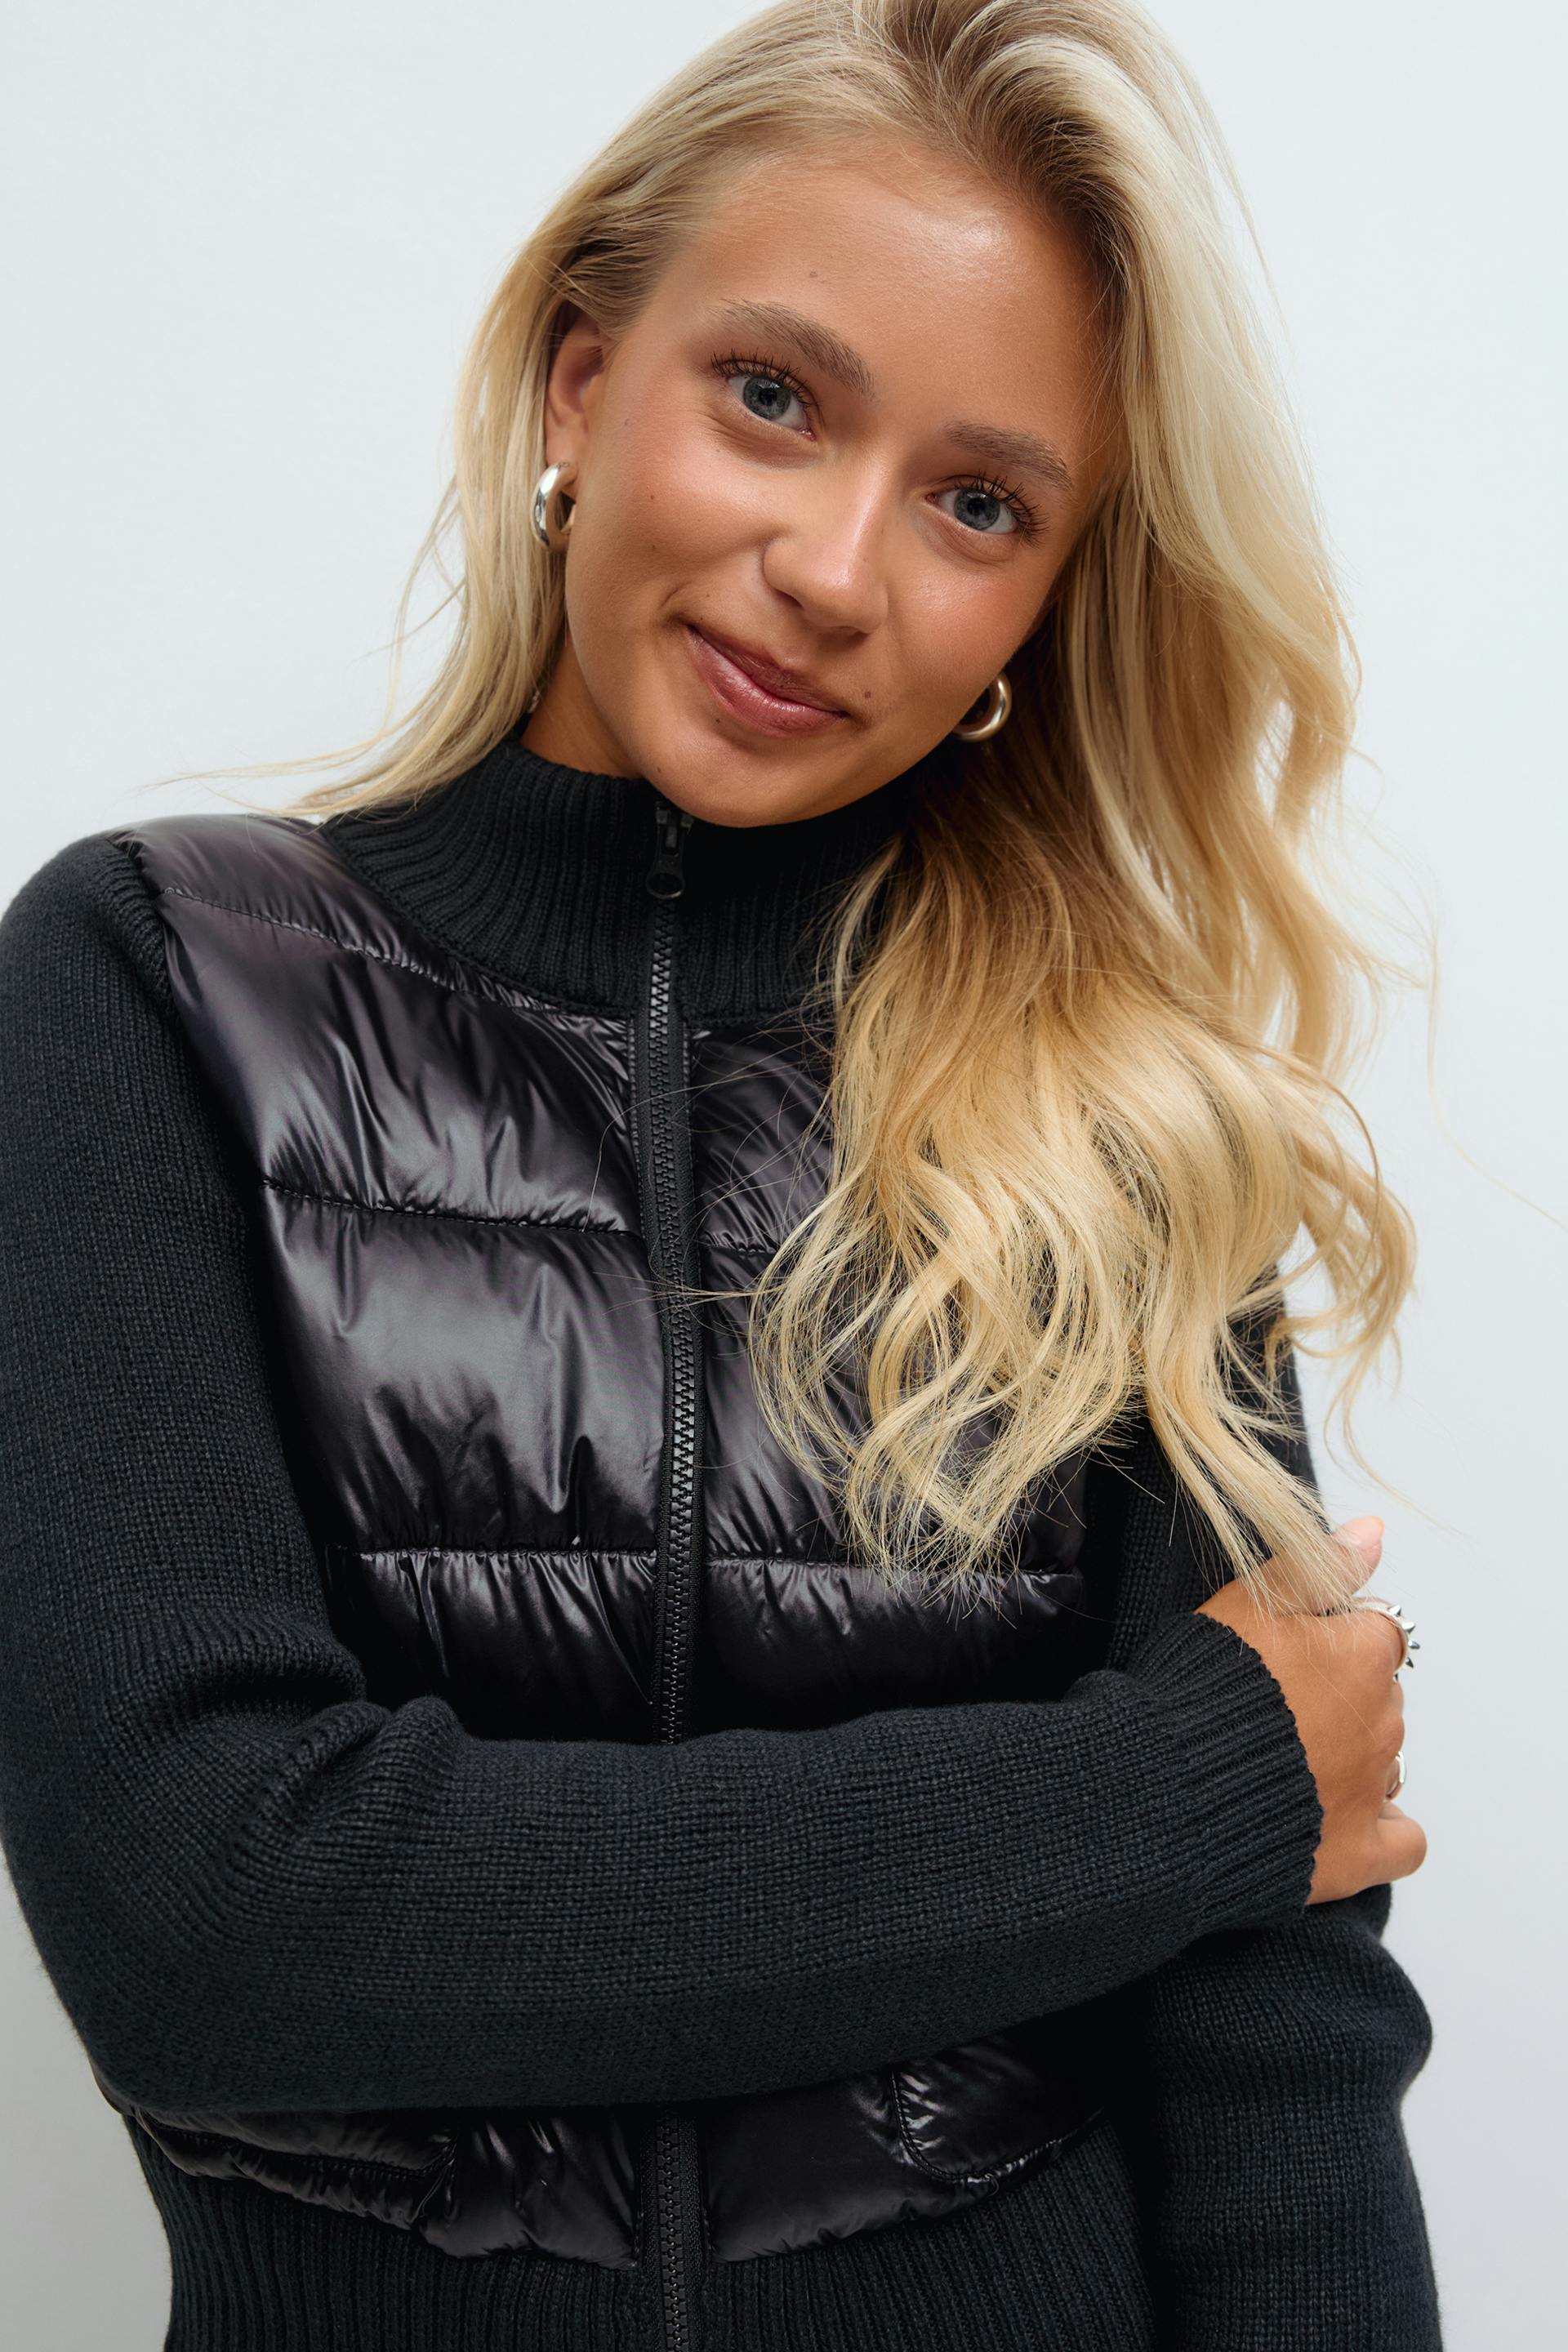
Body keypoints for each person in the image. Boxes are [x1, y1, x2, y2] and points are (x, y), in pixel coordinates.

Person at [0, 3, 1440, 2348]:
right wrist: (1192, 1786)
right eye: (773, 396)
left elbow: (1274, 2069)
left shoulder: (1125, 1120)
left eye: (981, 504)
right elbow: (212, 1927)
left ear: (1045, 601)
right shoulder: (161, 984)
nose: (834, 569)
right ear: (582, 389)